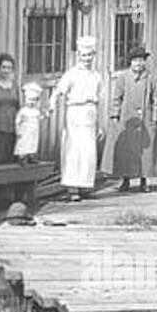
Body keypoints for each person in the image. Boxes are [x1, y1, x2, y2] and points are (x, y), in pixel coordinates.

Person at [103, 46, 157, 192]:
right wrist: (115, 115)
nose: (138, 64)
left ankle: (144, 180)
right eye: (135, 61)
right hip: (128, 118)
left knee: (146, 151)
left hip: (146, 118)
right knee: (127, 150)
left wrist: (156, 117)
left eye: (141, 61)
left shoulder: (151, 77)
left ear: (145, 62)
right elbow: (117, 98)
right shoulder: (123, 77)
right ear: (130, 63)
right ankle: (125, 180)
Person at [52, 36, 104, 201]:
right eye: (83, 55)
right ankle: (72, 188)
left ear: (93, 55)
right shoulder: (71, 74)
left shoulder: (96, 76)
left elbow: (99, 100)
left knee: (88, 151)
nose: (86, 59)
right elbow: (59, 91)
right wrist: (52, 103)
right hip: (75, 112)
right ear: (78, 56)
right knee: (74, 150)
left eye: (89, 55)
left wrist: (99, 123)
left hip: (90, 112)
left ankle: (86, 186)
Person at [0, 54, 20, 164]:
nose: (6, 71)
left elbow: (18, 106)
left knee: (9, 159)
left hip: (11, 127)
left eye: (9, 68)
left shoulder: (15, 85)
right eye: (4, 67)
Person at [14, 82, 44, 164]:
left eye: (34, 100)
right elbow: (17, 121)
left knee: (32, 143)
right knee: (24, 142)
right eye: (30, 100)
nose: (32, 102)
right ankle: (22, 157)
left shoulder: (36, 111)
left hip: (34, 130)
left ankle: (31, 156)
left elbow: (39, 118)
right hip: (25, 129)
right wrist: (18, 131)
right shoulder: (23, 111)